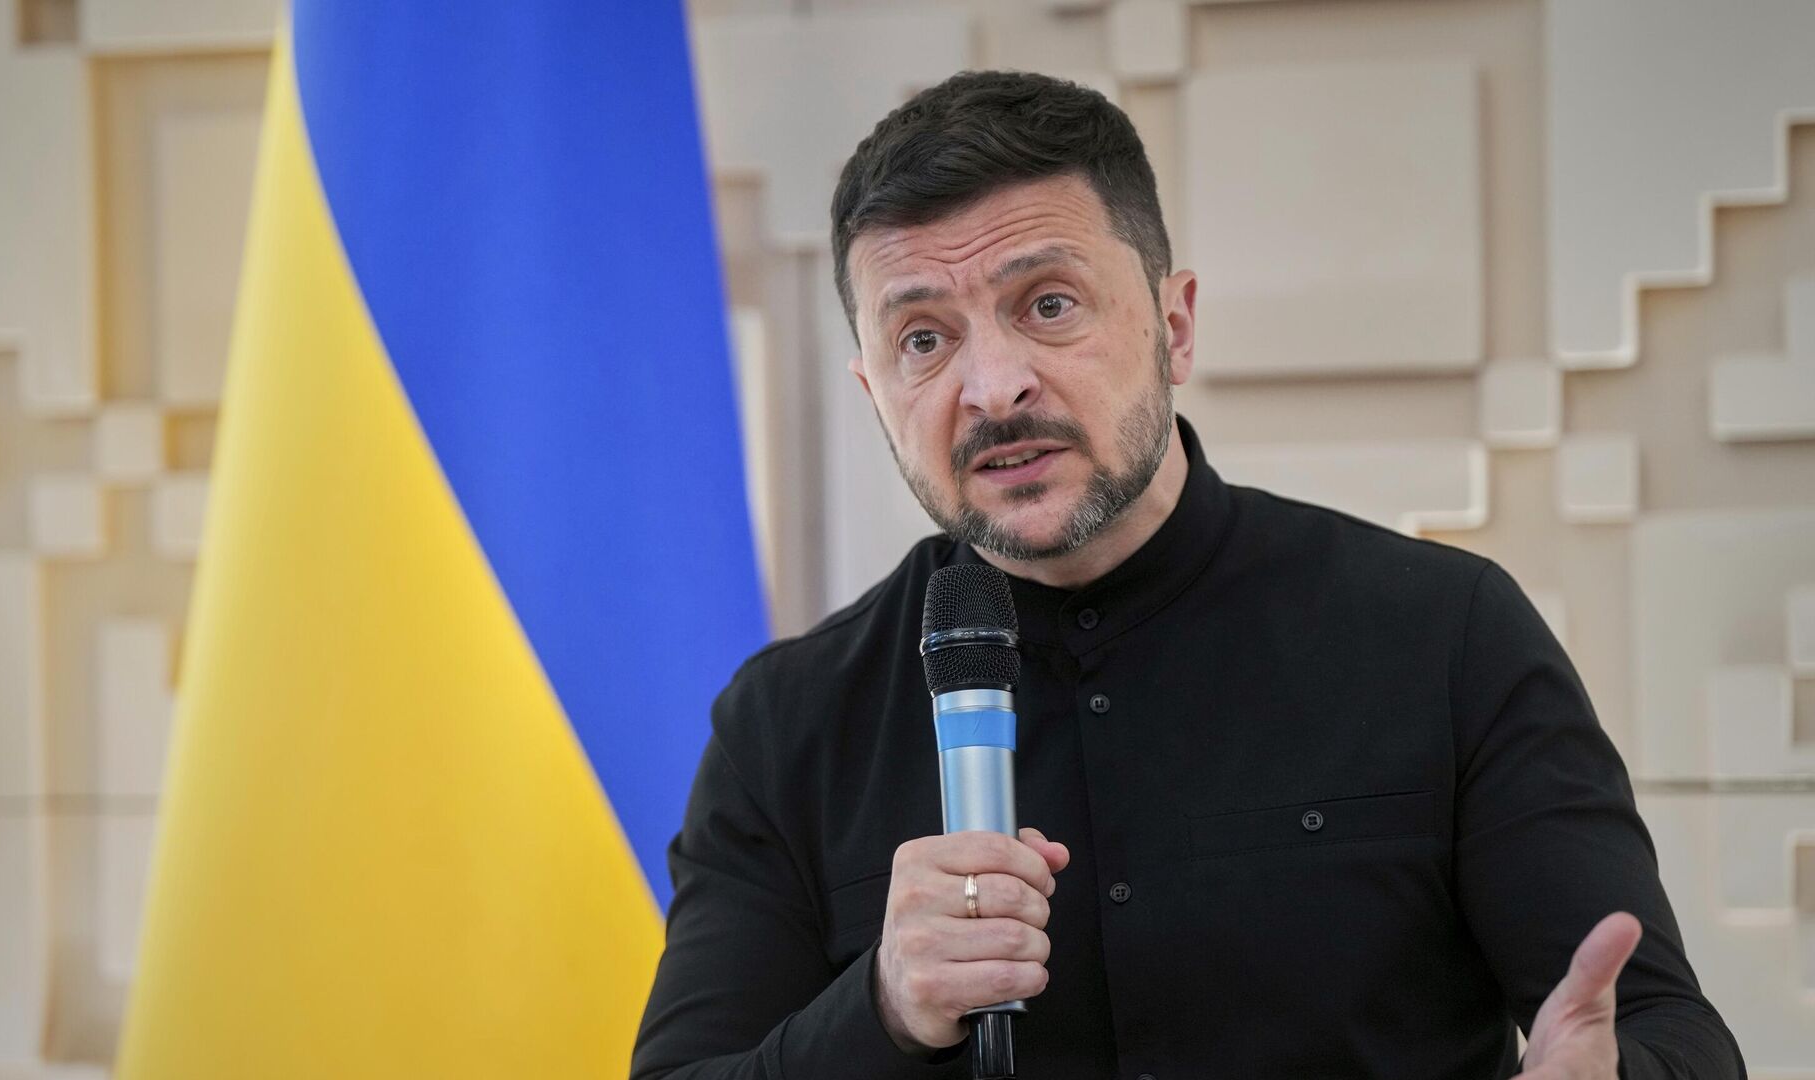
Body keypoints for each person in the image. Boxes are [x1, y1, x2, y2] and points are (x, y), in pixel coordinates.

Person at [630, 71, 1745, 1079]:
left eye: (1048, 304)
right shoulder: (785, 727)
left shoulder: (1446, 634)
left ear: (1175, 326)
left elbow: (1666, 1034)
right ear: (875, 393)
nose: (993, 386)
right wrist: (879, 1007)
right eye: (923, 339)